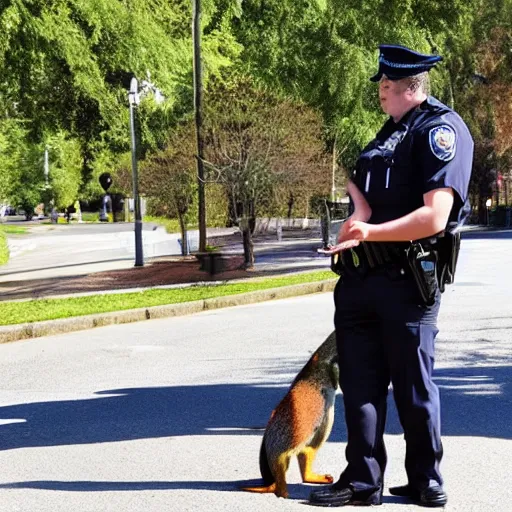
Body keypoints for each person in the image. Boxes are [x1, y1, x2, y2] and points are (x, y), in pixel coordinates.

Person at [309, 44, 474, 507]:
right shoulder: (389, 132)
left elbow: (435, 217)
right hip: (361, 281)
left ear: (409, 87)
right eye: (380, 85)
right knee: (360, 383)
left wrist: (372, 231)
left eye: (385, 86)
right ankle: (362, 481)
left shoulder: (441, 131)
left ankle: (426, 480)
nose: (379, 93)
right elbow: (362, 192)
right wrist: (356, 221)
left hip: (407, 282)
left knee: (412, 387)